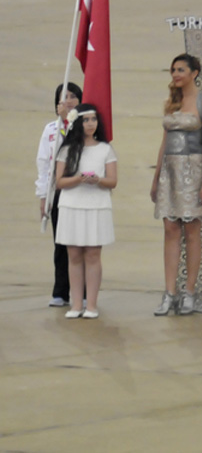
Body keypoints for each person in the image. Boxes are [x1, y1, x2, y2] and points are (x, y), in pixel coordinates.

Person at [151, 54, 202, 317]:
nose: (176, 74)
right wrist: (156, 176)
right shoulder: (172, 102)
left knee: (191, 229)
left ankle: (189, 291)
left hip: (193, 169)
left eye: (181, 70)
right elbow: (164, 143)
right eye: (173, 70)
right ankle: (170, 292)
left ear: (194, 73)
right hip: (170, 171)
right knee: (170, 228)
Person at [55, 104, 117, 319]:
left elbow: (112, 181)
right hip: (72, 205)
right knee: (74, 254)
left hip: (96, 205)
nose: (91, 124)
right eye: (86, 120)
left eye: (94, 119)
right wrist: (78, 179)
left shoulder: (105, 149)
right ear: (77, 124)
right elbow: (59, 182)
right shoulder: (66, 150)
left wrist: (97, 180)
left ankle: (91, 304)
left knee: (92, 254)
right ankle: (75, 305)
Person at [35, 81, 82, 308]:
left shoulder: (86, 127)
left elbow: (76, 145)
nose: (68, 101)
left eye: (73, 96)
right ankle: (61, 292)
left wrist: (68, 120)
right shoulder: (50, 130)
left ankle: (84, 293)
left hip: (81, 191)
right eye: (64, 97)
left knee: (81, 244)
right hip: (58, 192)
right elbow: (44, 164)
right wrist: (43, 196)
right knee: (61, 243)